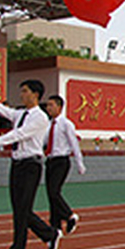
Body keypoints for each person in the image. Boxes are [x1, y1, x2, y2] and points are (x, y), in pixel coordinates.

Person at [0, 82, 62, 249]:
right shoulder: (21, 113)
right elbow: (6, 112)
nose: (21, 94)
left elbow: (20, 134)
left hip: (31, 165)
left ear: (36, 94)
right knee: (20, 209)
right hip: (16, 164)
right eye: (21, 91)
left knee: (22, 209)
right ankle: (49, 234)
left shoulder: (40, 117)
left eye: (25, 91)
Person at [43, 95, 85, 233]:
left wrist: (80, 163)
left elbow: (74, 144)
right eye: (47, 105)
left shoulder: (66, 124)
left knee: (54, 191)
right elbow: (43, 142)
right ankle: (55, 226)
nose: (48, 108)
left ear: (59, 107)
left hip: (61, 161)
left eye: (51, 105)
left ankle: (69, 215)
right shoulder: (48, 124)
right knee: (51, 193)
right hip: (50, 161)